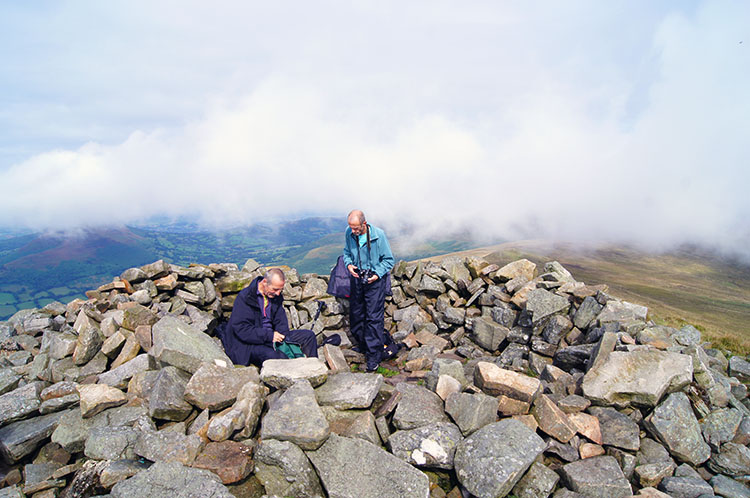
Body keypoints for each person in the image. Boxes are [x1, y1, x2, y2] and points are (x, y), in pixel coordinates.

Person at [219, 268, 318, 368]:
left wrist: (284, 338)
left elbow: (281, 322)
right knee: (277, 357)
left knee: (308, 336)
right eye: (275, 289)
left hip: (273, 338)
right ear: (265, 282)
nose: (278, 293)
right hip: (251, 343)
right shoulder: (246, 297)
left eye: (280, 290)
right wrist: (269, 336)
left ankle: (314, 370)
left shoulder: (275, 297)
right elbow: (242, 329)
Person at [343, 210, 396, 371]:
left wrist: (377, 274)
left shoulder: (378, 236)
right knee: (357, 314)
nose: (353, 231)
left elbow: (389, 260)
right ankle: (363, 345)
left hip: (374, 282)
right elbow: (346, 253)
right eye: (351, 227)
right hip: (358, 279)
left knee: (373, 318)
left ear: (364, 224)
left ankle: (374, 355)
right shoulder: (349, 233)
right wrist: (349, 264)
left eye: (356, 228)